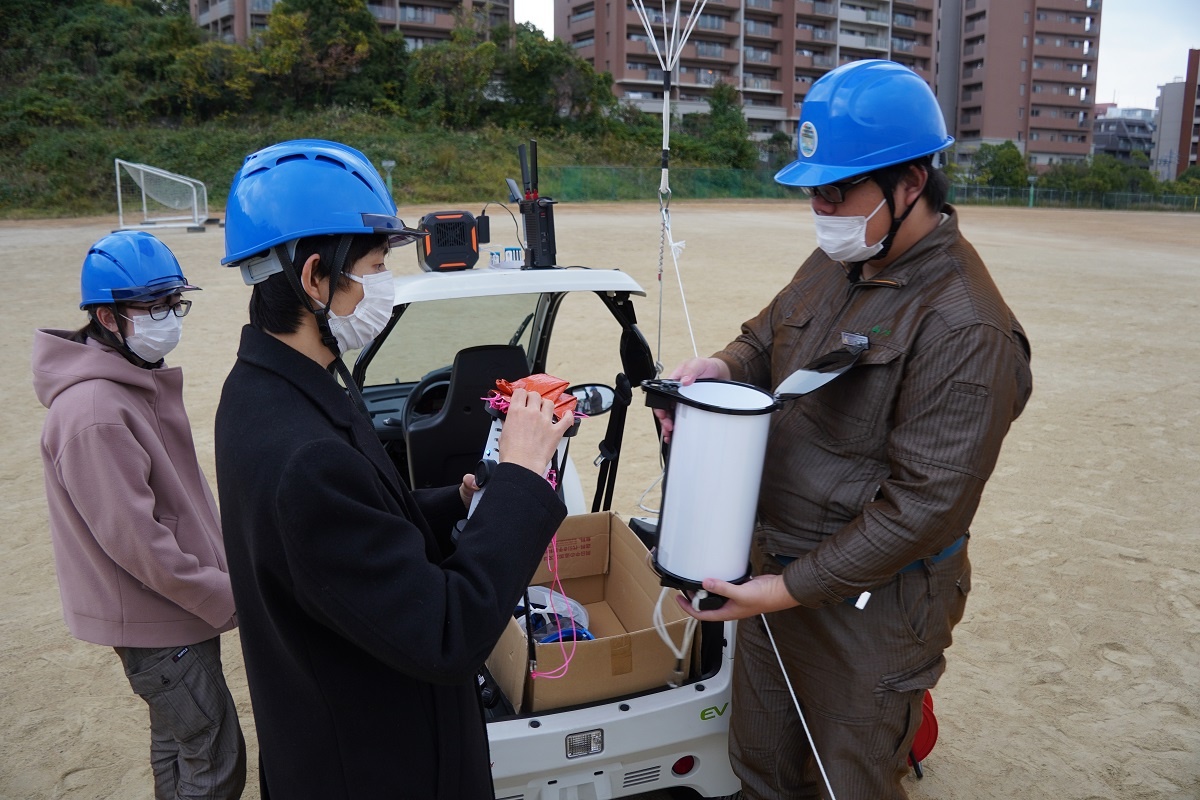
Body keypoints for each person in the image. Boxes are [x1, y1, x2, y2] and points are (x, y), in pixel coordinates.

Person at [658, 60, 1033, 799]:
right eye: (812, 191)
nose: (821, 207)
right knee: (761, 765)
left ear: (912, 182)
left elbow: (924, 508)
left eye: (838, 190)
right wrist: (719, 368)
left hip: (874, 608)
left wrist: (785, 589)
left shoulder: (966, 327)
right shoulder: (845, 254)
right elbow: (765, 337)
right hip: (773, 568)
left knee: (843, 781)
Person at [213, 139, 574, 798]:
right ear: (315, 278)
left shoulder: (265, 388)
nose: (386, 283)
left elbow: (353, 538)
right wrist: (521, 475)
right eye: (377, 266)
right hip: (378, 769)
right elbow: (447, 633)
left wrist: (458, 499)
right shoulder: (303, 458)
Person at [33, 230, 246, 799]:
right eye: (152, 307)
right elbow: (138, 543)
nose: (168, 318)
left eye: (174, 303)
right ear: (106, 317)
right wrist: (225, 594)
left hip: (169, 610)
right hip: (159, 615)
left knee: (178, 743)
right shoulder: (95, 410)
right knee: (216, 756)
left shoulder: (127, 385)